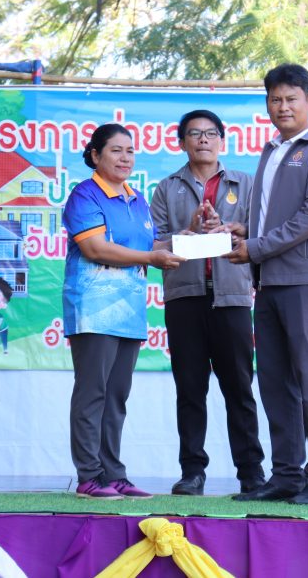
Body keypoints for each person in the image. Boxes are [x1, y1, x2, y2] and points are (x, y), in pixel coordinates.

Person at [227, 63, 308, 505]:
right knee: (275, 381)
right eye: (275, 99)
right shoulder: (271, 150)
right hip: (269, 281)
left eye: (291, 99)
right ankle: (286, 475)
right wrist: (242, 232)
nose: (283, 107)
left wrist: (256, 247)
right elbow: (269, 217)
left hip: (307, 279)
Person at [63, 123, 184, 500]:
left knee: (116, 396)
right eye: (116, 150)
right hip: (93, 309)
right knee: (92, 393)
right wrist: (151, 257)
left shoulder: (137, 199)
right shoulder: (85, 195)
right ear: (95, 155)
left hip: (130, 310)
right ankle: (89, 476)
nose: (125, 158)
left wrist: (187, 239)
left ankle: (113, 474)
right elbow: (96, 248)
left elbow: (150, 246)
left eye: (130, 151)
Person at [150, 109, 265, 496]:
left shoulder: (245, 184)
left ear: (222, 141)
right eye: (195, 133)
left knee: (240, 389)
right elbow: (152, 244)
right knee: (190, 389)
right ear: (181, 142)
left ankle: (251, 472)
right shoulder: (166, 189)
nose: (203, 139)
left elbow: (263, 232)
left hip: (233, 299)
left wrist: (236, 228)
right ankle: (192, 472)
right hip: (185, 298)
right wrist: (187, 232)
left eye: (211, 133)